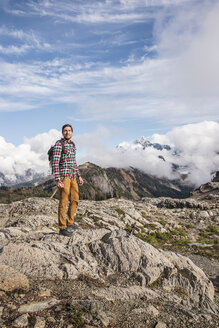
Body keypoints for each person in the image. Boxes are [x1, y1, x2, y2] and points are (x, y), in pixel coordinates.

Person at [52, 124, 84, 236]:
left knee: (75, 200)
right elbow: (55, 163)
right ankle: (62, 227)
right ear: (62, 132)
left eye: (69, 130)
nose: (67, 132)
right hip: (64, 177)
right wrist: (57, 180)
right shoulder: (59, 144)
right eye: (65, 131)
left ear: (72, 132)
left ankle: (70, 222)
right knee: (64, 202)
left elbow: (73, 161)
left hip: (73, 176)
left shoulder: (72, 144)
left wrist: (79, 175)